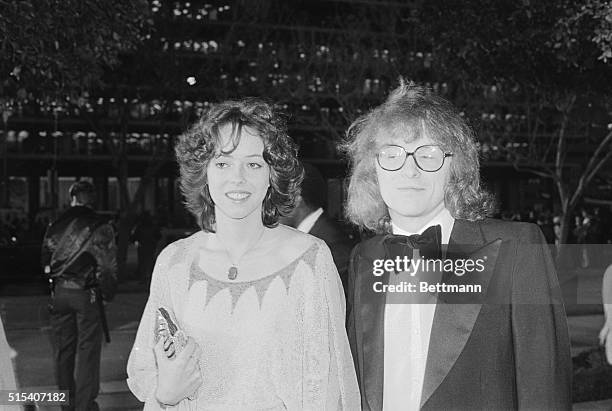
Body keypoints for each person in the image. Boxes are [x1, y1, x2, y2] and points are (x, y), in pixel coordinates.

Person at [342, 80, 572, 410]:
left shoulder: (517, 248)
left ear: (456, 168)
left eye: (429, 154)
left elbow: (544, 389)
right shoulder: (364, 259)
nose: (410, 170)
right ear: (372, 170)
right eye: (392, 154)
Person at [126, 98, 360, 410]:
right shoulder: (175, 262)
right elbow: (146, 369)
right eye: (223, 163)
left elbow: (327, 388)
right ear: (204, 174)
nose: (238, 178)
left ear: (271, 175)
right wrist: (165, 393)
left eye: (253, 164)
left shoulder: (309, 260)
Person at [41, 180, 118, 411]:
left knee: (63, 351)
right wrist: (107, 292)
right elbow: (106, 267)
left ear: (72, 198)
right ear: (91, 199)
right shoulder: (99, 225)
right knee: (88, 352)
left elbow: (44, 261)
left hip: (60, 292)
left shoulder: (55, 225)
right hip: (86, 293)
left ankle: (67, 404)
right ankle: (85, 406)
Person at [280, 162, 355, 292]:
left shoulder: (333, 248)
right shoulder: (313, 238)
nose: (267, 208)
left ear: (296, 198)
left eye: (274, 197)